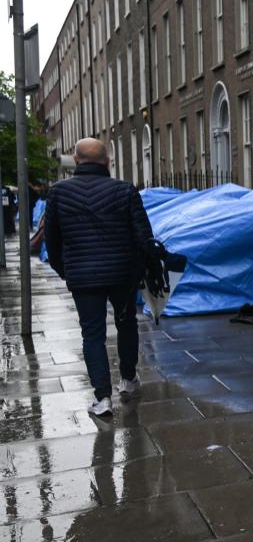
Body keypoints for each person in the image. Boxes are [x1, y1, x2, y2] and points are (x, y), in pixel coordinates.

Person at [45, 138, 154, 417]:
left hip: (83, 276)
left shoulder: (58, 193)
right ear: (107, 162)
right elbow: (144, 237)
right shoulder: (125, 190)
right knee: (126, 323)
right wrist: (140, 269)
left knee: (92, 334)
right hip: (122, 274)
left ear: (76, 161)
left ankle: (103, 399)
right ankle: (128, 380)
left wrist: (66, 271)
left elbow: (52, 242)